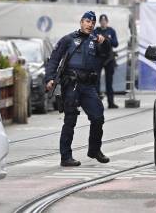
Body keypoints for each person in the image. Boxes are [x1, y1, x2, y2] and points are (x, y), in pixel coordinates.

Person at [45, 11, 111, 167]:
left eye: (93, 23)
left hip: (88, 86)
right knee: (70, 120)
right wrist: (49, 78)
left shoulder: (96, 40)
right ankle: (66, 157)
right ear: (81, 22)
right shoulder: (68, 39)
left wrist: (105, 42)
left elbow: (107, 53)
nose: (90, 24)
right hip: (72, 85)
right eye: (87, 21)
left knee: (97, 117)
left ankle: (94, 150)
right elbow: (54, 59)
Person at [94, 14, 119, 109]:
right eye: (102, 21)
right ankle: (96, 103)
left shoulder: (111, 31)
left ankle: (111, 102)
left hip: (109, 58)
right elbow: (91, 41)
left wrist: (107, 39)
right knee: (96, 81)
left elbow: (116, 44)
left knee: (109, 81)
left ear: (107, 22)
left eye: (105, 21)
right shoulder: (96, 31)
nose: (103, 22)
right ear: (100, 22)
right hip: (98, 58)